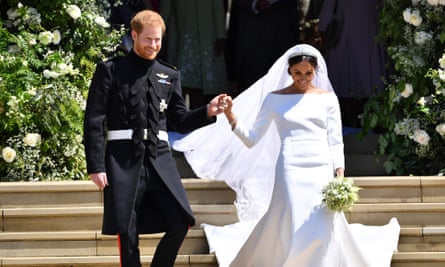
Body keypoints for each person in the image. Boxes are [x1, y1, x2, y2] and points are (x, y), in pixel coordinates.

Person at [171, 44, 400, 266]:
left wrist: (339, 171)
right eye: (297, 72)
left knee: (322, 220)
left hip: (321, 165)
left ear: (315, 71)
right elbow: (251, 138)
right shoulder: (274, 99)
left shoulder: (328, 98)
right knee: (292, 211)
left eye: (308, 73)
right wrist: (231, 116)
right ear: (289, 71)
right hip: (289, 165)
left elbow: (335, 139)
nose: (302, 78)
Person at [83, 10, 227, 267]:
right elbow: (94, 120)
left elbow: (179, 120)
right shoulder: (111, 70)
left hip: (160, 159)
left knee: (180, 222)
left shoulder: (169, 74)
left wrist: (207, 111)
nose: (153, 46)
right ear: (134, 35)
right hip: (123, 159)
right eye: (148, 39)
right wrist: (96, 165)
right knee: (126, 229)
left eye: (158, 40)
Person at [160, 0, 228, 109]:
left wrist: (221, 35)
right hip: (181, 31)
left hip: (207, 33)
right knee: (178, 84)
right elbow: (167, 4)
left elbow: (218, 6)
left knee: (200, 89)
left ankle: (197, 121)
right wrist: (160, 28)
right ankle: (177, 119)